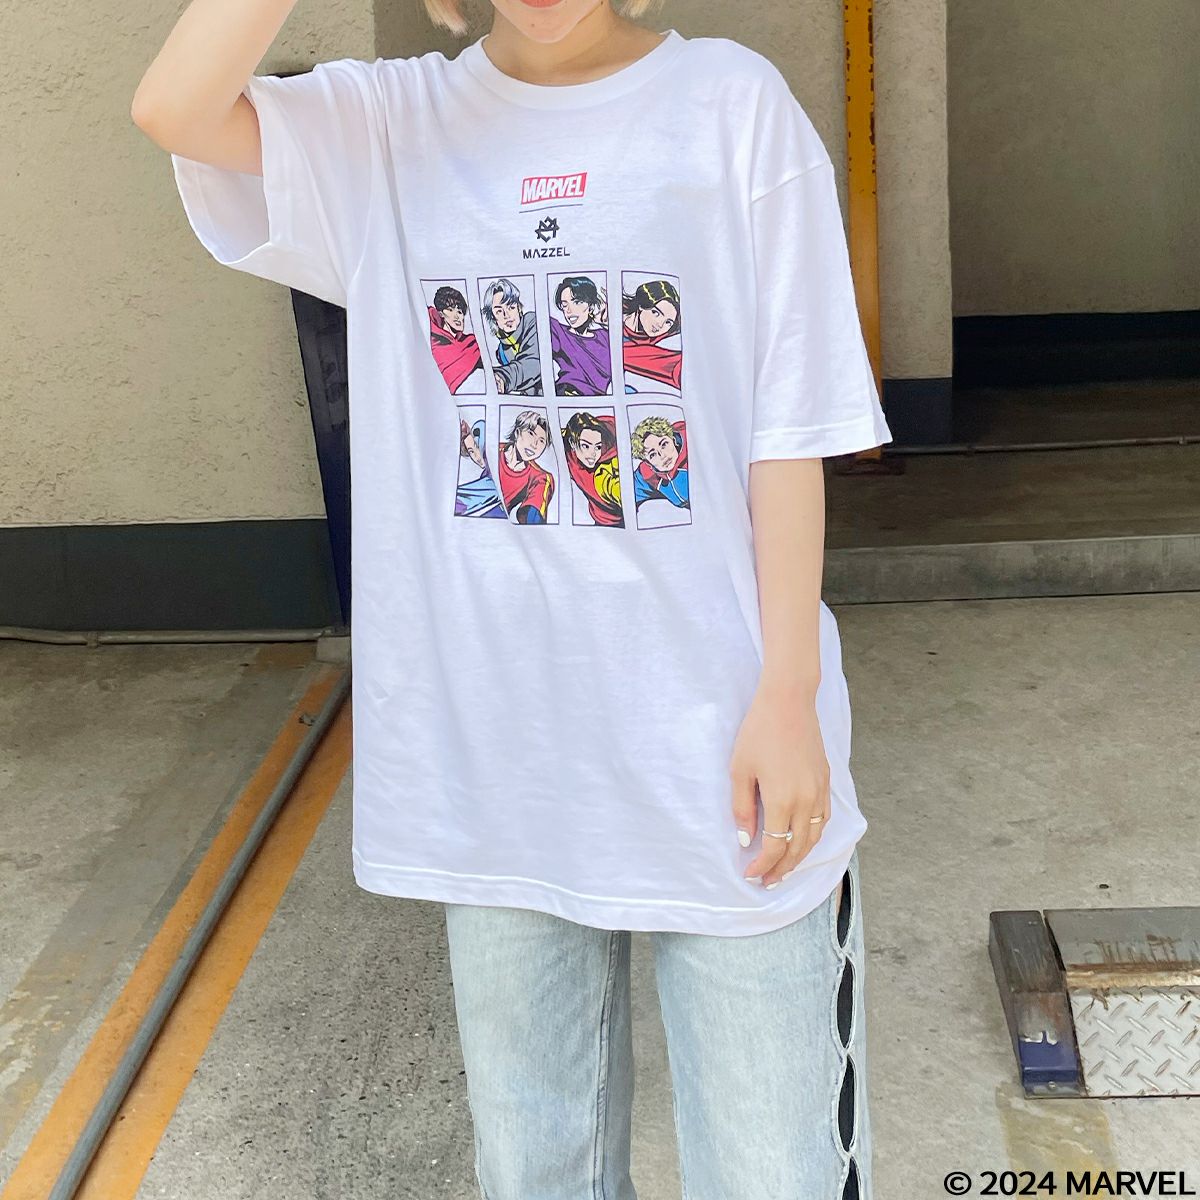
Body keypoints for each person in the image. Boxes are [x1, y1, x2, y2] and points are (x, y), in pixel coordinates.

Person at [131, 0, 894, 1195]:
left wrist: (789, 694)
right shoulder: (391, 125)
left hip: (726, 737)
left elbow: (788, 426)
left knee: (775, 1168)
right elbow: (175, 108)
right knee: (538, 1169)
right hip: (498, 763)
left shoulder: (730, 105)